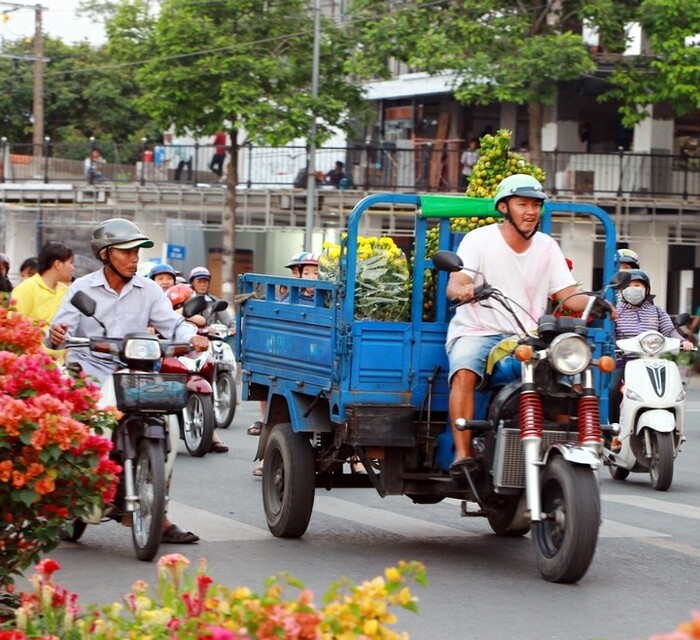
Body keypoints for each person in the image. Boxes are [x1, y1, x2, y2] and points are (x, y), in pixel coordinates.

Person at [48, 218, 208, 544]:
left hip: (134, 372)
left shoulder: (149, 290)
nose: (134, 258)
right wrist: (58, 335)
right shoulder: (82, 289)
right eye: (126, 252)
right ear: (106, 254)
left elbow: (172, 326)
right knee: (93, 426)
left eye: (136, 252)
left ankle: (157, 512)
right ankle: (79, 492)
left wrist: (193, 336)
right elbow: (57, 336)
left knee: (170, 429)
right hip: (89, 371)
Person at [445, 173, 590, 476]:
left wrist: (596, 302)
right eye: (522, 203)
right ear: (503, 207)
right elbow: (455, 283)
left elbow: (567, 294)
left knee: (563, 381)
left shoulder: (548, 246)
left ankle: (561, 460)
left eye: (536, 205)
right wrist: (464, 289)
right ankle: (462, 453)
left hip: (528, 335)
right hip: (478, 330)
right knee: (463, 371)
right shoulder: (479, 240)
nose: (530, 211)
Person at [608, 269, 694, 425]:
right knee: (613, 389)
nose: (634, 288)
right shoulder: (616, 311)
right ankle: (613, 429)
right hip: (624, 361)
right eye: (629, 285)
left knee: (673, 389)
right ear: (622, 290)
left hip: (653, 360)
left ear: (646, 289)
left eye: (638, 285)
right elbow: (610, 334)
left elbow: (670, 331)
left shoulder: (657, 311)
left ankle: (674, 426)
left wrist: (683, 342)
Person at [11, 242, 74, 361]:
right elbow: (14, 328)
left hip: (63, 367)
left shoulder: (67, 291)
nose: (73, 268)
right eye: (70, 263)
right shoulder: (25, 289)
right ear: (58, 264)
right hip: (33, 365)